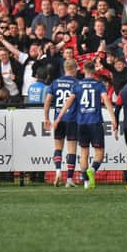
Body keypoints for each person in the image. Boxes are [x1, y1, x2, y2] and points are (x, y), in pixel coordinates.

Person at [55, 62, 118, 189]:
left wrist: (59, 117)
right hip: (95, 122)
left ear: (83, 70)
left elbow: (68, 102)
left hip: (81, 123)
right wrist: (113, 118)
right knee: (99, 152)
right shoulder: (99, 85)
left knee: (84, 152)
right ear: (94, 71)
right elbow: (106, 101)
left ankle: (85, 182)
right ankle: (93, 170)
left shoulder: (77, 85)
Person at [43, 59, 80, 187]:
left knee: (58, 147)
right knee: (72, 149)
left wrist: (46, 118)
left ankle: (58, 170)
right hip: (72, 119)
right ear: (74, 69)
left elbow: (47, 101)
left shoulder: (55, 82)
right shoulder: (76, 83)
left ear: (65, 69)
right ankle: (69, 178)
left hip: (58, 118)